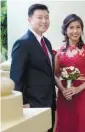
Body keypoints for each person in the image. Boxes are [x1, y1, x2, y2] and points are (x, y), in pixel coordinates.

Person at [10, 3, 56, 132]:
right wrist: (22, 102)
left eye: (46, 18)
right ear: (30, 20)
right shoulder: (23, 43)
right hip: (32, 104)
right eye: (40, 17)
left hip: (49, 102)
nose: (44, 21)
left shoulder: (46, 42)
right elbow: (16, 77)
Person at [54, 14, 85, 132]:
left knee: (84, 125)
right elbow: (55, 75)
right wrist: (63, 90)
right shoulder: (58, 52)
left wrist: (78, 89)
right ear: (65, 30)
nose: (75, 31)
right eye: (71, 27)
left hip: (83, 95)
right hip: (64, 96)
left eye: (78, 27)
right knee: (65, 125)